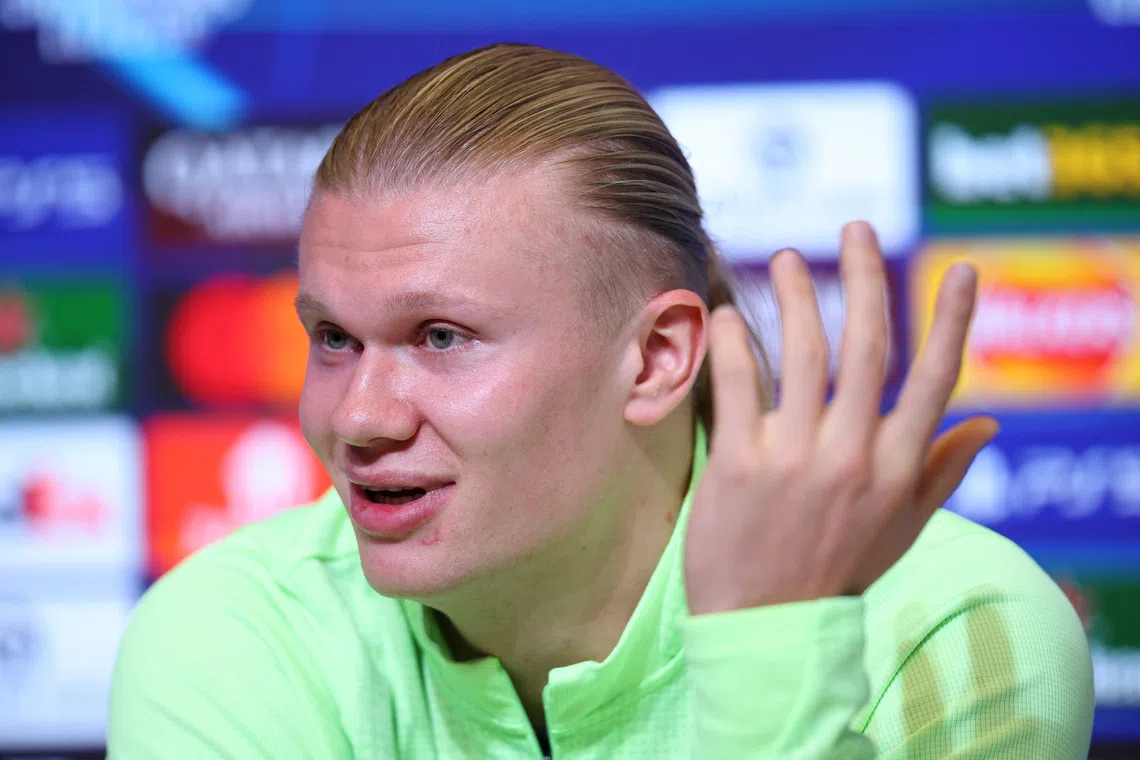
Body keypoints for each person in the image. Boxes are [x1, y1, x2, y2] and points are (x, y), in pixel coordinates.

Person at [107, 44, 1094, 758]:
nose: (359, 417)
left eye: (439, 337)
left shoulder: (956, 625)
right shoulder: (232, 630)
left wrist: (771, 644)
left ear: (660, 357)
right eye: (333, 337)